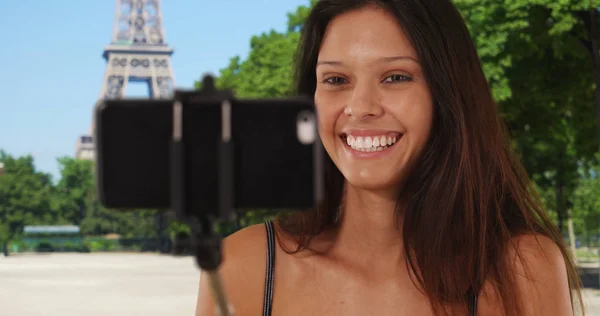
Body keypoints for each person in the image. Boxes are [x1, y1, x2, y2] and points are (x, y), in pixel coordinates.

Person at [196, 0, 584, 315]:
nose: (360, 107)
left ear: (447, 95)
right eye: (336, 80)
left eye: (396, 77)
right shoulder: (241, 267)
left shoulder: (522, 271)